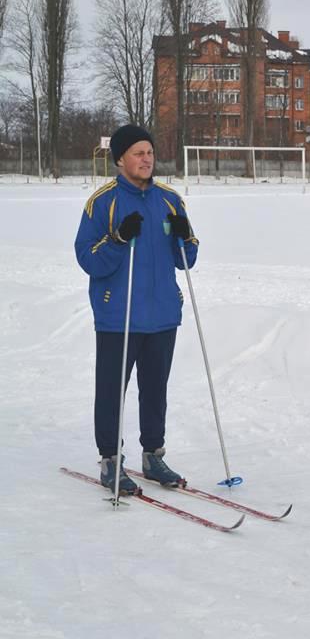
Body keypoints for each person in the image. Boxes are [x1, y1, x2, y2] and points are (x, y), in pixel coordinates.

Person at [74, 124, 199, 495]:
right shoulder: (104, 202)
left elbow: (187, 259)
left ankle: (153, 454)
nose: (147, 159)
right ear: (120, 159)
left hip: (162, 314)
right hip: (119, 316)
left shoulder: (170, 200)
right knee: (113, 390)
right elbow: (88, 258)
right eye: (138, 153)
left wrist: (183, 235)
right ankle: (111, 459)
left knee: (155, 389)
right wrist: (117, 239)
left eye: (149, 152)